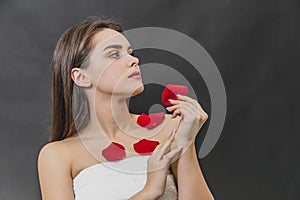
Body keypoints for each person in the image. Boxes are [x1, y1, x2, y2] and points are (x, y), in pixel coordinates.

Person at [37, 17, 214, 200]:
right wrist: (149, 191)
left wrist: (186, 143)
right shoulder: (57, 156)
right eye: (114, 54)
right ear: (81, 77)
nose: (134, 60)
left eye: (130, 52)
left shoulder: (171, 129)